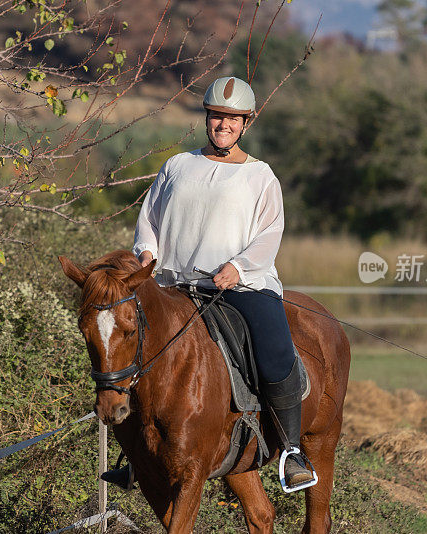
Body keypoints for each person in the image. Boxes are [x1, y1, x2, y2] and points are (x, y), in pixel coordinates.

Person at [127, 76, 315, 489]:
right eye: (217, 117)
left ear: (245, 123)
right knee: (133, 347)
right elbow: (149, 221)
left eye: (232, 118)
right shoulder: (177, 166)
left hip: (240, 287)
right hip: (176, 286)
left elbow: (270, 234)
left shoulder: (260, 176)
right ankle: (135, 451)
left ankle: (291, 450)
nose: (223, 125)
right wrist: (146, 252)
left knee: (275, 352)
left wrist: (239, 267)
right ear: (207, 119)